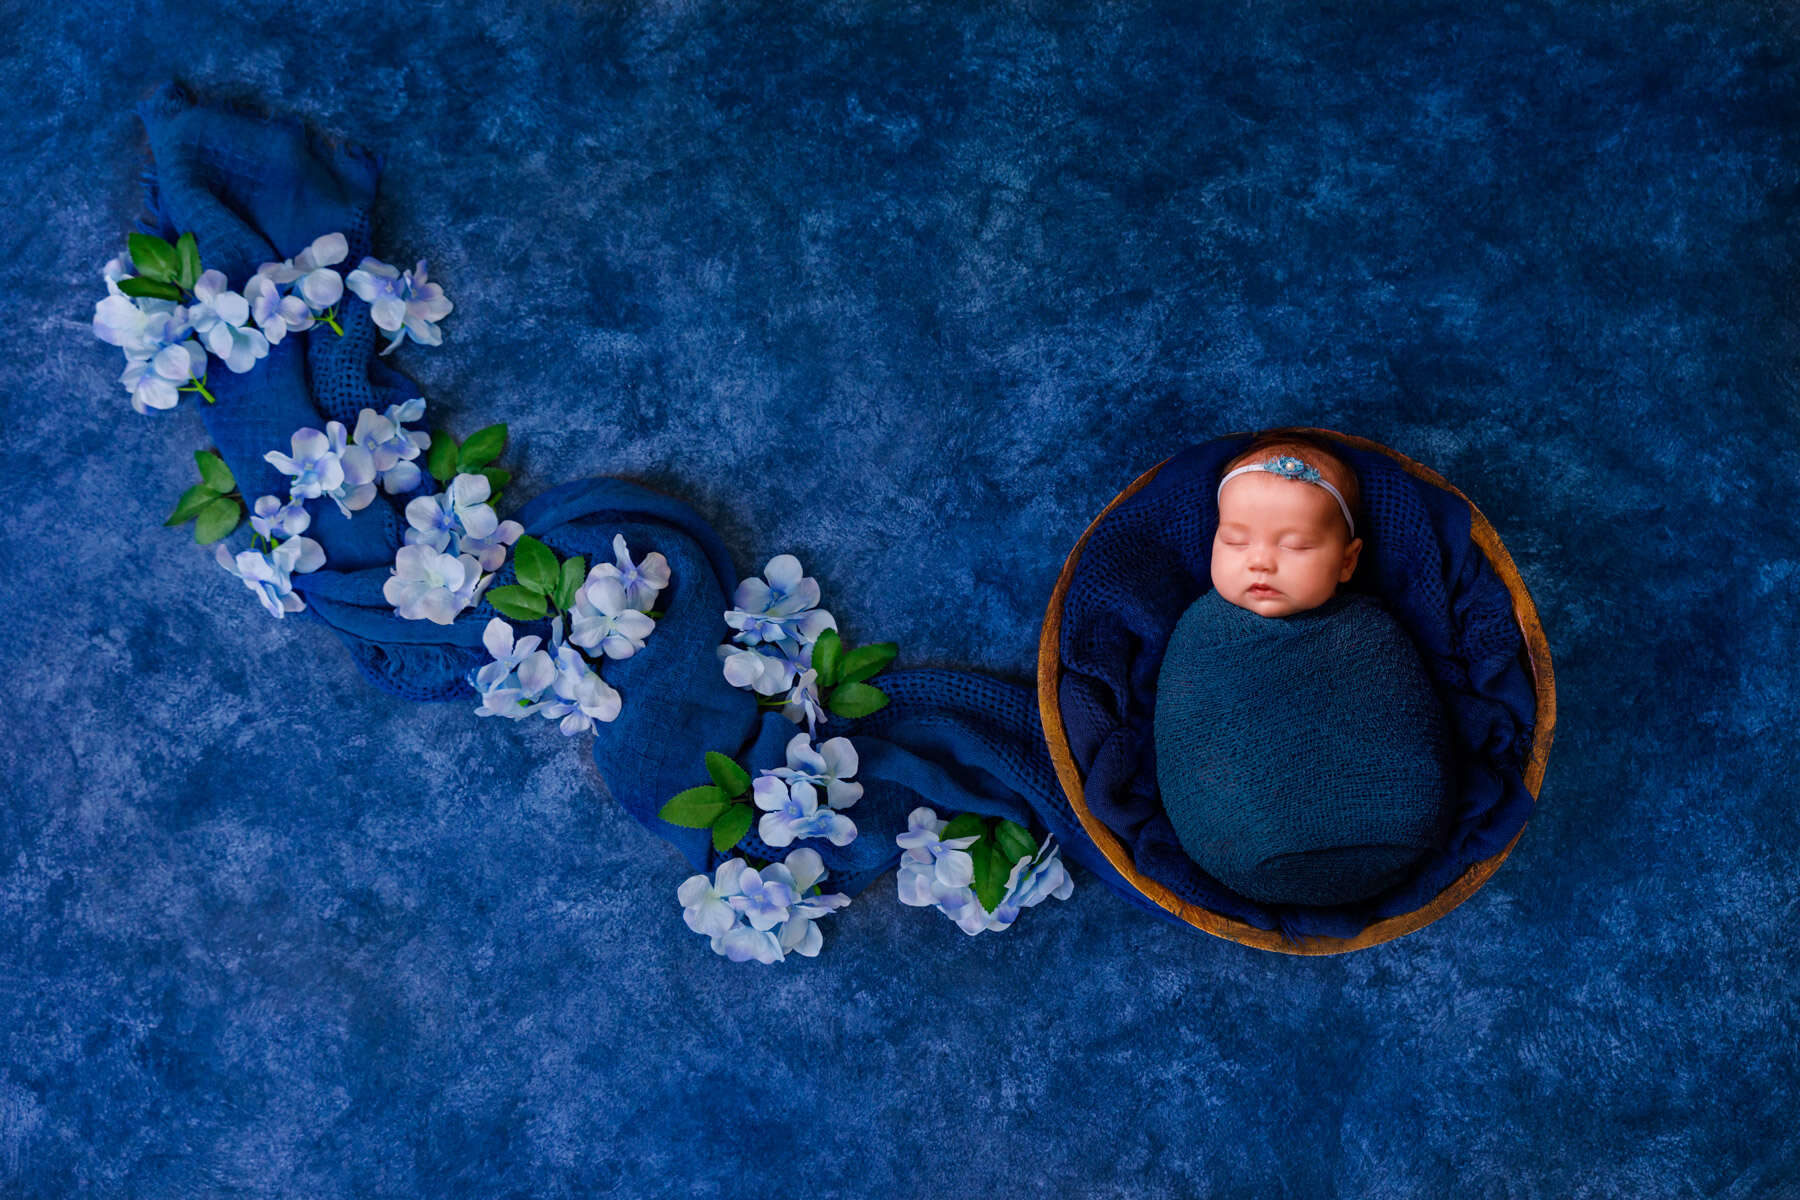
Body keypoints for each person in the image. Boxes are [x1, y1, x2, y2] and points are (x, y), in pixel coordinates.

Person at [1152, 430, 1454, 908]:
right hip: (1246, 845)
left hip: (1392, 830)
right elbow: (1189, 728)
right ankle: (1244, 832)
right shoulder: (1203, 631)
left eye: (1294, 546)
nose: (1260, 562)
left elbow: (1406, 719)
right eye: (1234, 540)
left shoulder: (1369, 632)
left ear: (1348, 561)